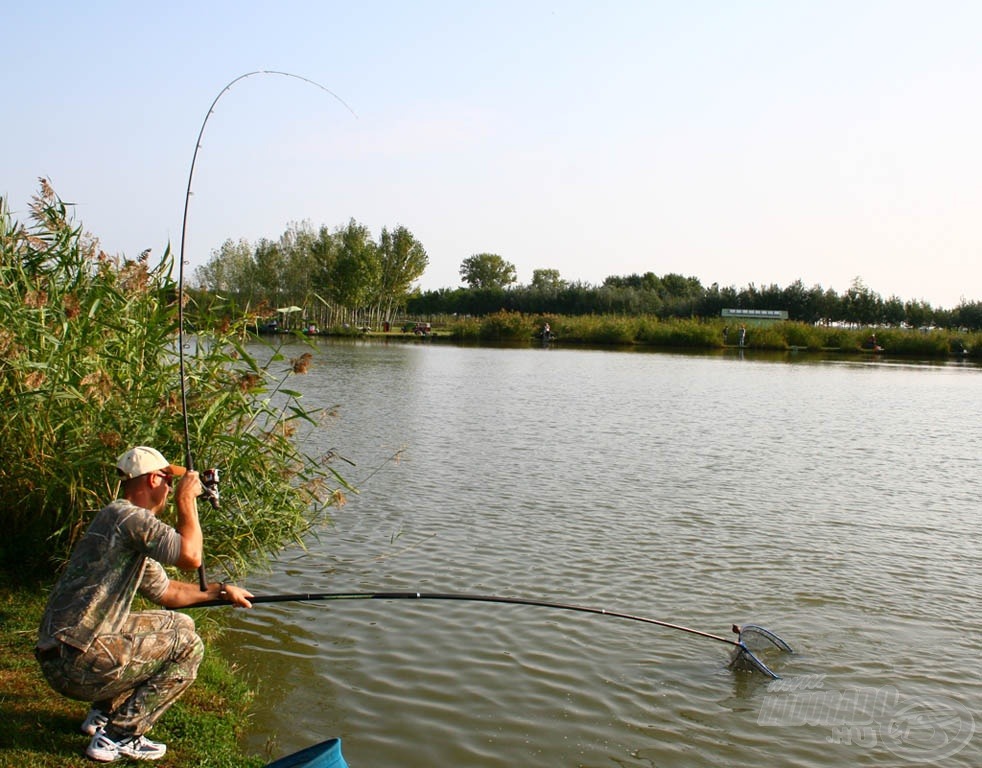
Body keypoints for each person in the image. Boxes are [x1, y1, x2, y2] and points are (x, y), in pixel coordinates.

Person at [35, 446, 253, 762]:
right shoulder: (130, 518)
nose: (169, 488)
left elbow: (168, 594)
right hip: (74, 662)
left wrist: (222, 591)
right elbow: (191, 557)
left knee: (180, 625)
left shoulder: (119, 523)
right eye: (167, 481)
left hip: (63, 655)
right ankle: (118, 736)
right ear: (153, 479)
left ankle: (101, 715)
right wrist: (186, 499)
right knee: (189, 646)